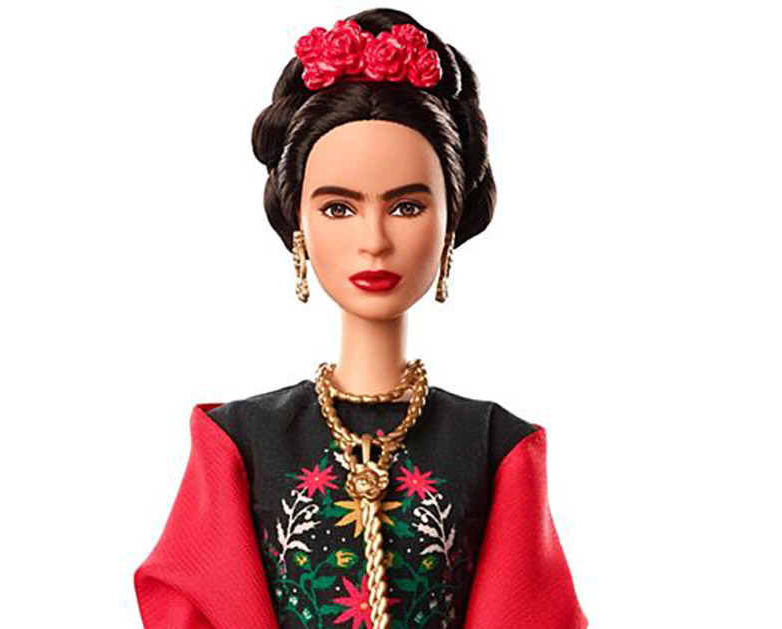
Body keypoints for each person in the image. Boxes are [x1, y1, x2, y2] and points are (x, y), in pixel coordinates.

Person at [134, 8, 587, 628]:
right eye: (339, 208)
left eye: (406, 206)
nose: (373, 240)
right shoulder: (242, 442)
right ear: (299, 226)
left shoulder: (493, 445)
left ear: (449, 224)